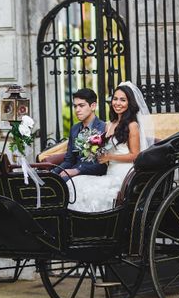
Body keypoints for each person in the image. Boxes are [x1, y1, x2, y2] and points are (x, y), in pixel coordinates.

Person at [68, 82, 154, 212]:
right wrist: (93, 149)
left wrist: (110, 157)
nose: (118, 103)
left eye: (123, 100)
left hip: (124, 173)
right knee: (74, 183)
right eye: (115, 99)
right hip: (110, 172)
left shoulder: (132, 125)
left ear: (129, 103)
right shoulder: (110, 124)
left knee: (86, 190)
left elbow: (136, 155)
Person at [54, 88, 107, 180]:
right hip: (73, 174)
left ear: (93, 106)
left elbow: (103, 166)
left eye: (81, 106)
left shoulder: (103, 128)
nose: (77, 110)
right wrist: (53, 172)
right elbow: (69, 160)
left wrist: (77, 170)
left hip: (92, 176)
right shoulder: (74, 129)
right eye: (75, 106)